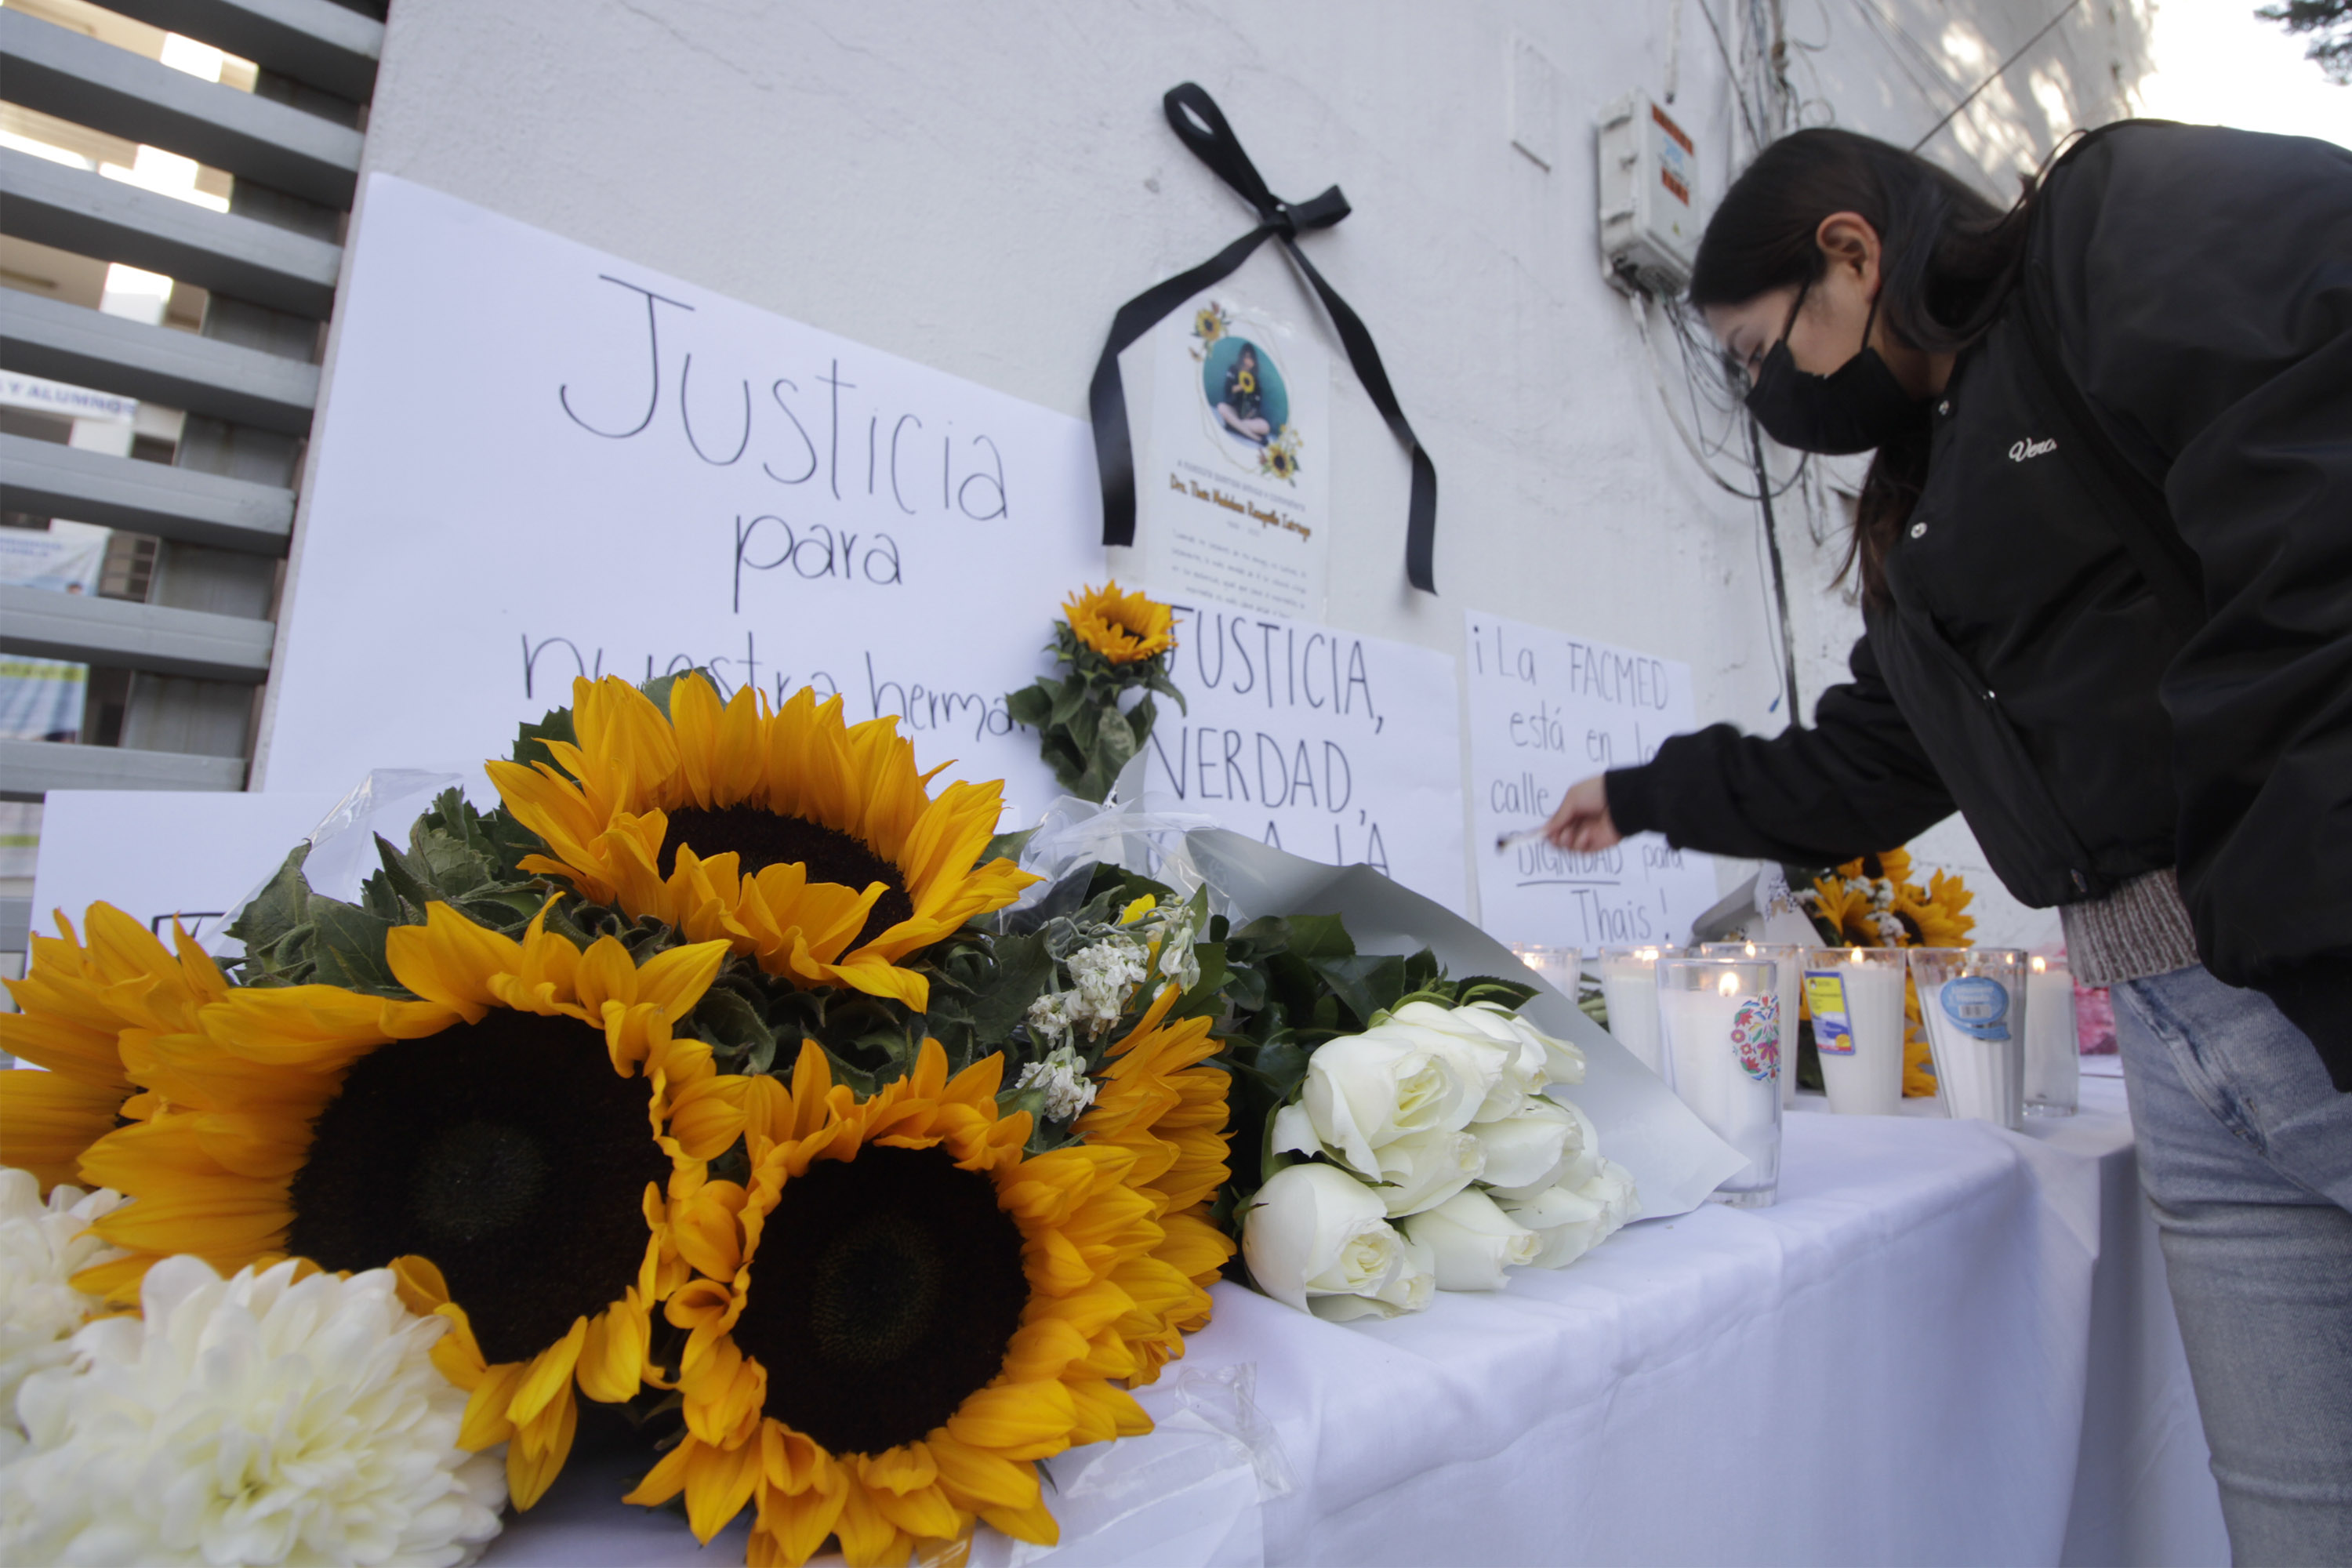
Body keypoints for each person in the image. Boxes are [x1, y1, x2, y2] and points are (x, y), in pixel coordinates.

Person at [1543, 122, 2351, 1562]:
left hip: (2306, 962)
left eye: (1754, 349)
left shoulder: (2112, 228)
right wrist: (1653, 790)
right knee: (2297, 1519)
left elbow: (2313, 503)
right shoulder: (1925, 500)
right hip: (2183, 1051)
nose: (1759, 391)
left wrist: (2300, 893)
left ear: (1849, 254)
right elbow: (1875, 758)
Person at [1215, 343, 1273, 443]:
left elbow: (1257, 404)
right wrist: (1243, 386)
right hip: (1234, 411)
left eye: (1251, 358)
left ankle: (1234, 426)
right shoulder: (1233, 370)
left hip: (1247, 419)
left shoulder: (1255, 380)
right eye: (1246, 357)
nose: (1248, 361)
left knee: (1266, 427)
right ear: (1241, 357)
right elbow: (1228, 391)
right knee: (1221, 407)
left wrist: (1251, 413)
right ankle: (1256, 438)